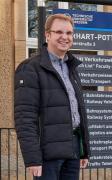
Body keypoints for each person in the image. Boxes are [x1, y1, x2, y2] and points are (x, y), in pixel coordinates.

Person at [14, 14, 90, 180]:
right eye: (59, 32)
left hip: (73, 151)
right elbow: (24, 117)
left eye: (69, 33)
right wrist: (33, 158)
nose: (65, 37)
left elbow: (78, 111)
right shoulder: (30, 68)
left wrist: (84, 150)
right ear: (47, 35)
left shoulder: (72, 68)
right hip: (47, 156)